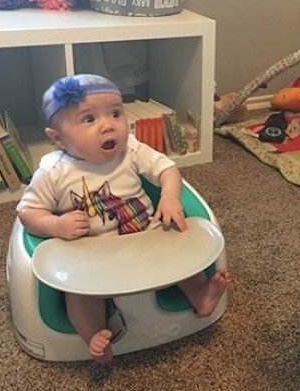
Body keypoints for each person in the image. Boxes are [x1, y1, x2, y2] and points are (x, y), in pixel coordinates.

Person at [17, 74, 229, 363]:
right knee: (77, 293)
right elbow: (28, 213)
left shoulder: (130, 149)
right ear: (58, 138)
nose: (108, 124)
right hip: (91, 256)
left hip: (146, 237)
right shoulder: (52, 171)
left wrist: (168, 198)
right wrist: (56, 225)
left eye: (115, 113)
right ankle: (94, 337)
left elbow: (167, 170)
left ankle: (200, 296)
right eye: (89, 119)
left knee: (180, 246)